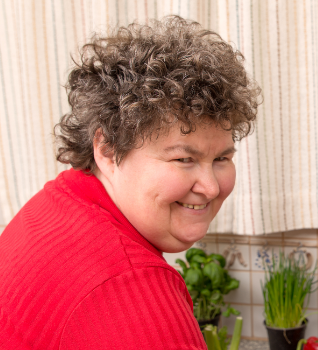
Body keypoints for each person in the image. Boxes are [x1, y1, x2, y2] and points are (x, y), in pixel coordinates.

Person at [0, 16, 260, 349]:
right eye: (184, 159)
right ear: (107, 151)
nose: (210, 187)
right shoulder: (132, 289)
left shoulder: (57, 202)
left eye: (222, 158)